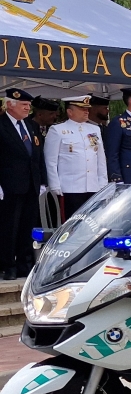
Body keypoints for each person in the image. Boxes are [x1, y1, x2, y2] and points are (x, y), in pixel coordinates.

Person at [0, 89, 45, 279]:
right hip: (9, 185)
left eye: (29, 105)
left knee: (28, 226)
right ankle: (8, 266)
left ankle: (24, 265)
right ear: (10, 105)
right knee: (9, 227)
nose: (28, 108)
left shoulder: (31, 125)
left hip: (31, 184)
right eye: (24, 105)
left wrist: (42, 181)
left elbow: (38, 156)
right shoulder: (1, 125)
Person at [45, 95, 106, 219]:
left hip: (93, 185)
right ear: (70, 112)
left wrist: (102, 182)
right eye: (82, 109)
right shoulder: (57, 130)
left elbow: (100, 158)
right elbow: (51, 160)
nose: (86, 111)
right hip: (70, 187)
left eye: (87, 109)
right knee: (71, 221)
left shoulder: (94, 129)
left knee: (92, 221)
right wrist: (55, 184)